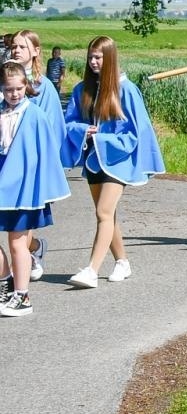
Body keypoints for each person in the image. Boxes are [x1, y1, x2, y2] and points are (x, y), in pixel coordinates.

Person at [61, 36, 165, 288]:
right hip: (93, 160)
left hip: (118, 159)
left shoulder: (126, 90)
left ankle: (92, 270)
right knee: (108, 215)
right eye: (91, 57)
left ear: (110, 58)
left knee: (103, 212)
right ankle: (122, 262)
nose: (94, 62)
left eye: (99, 57)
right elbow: (69, 123)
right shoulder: (81, 90)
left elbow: (135, 131)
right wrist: (83, 131)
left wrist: (105, 138)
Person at [0, 62, 69, 316]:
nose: (14, 94)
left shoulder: (35, 115)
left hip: (24, 190)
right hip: (2, 184)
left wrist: (43, 187)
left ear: (26, 87)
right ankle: (6, 281)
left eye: (18, 88)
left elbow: (46, 153)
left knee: (17, 242)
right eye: (8, 89)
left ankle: (22, 296)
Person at [5, 30, 64, 278]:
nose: (17, 51)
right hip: (6, 164)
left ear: (36, 51)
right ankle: (35, 248)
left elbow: (52, 129)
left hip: (31, 165)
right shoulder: (6, 82)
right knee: (12, 224)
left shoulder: (44, 86)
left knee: (21, 225)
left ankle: (19, 275)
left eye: (23, 47)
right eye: (14, 47)